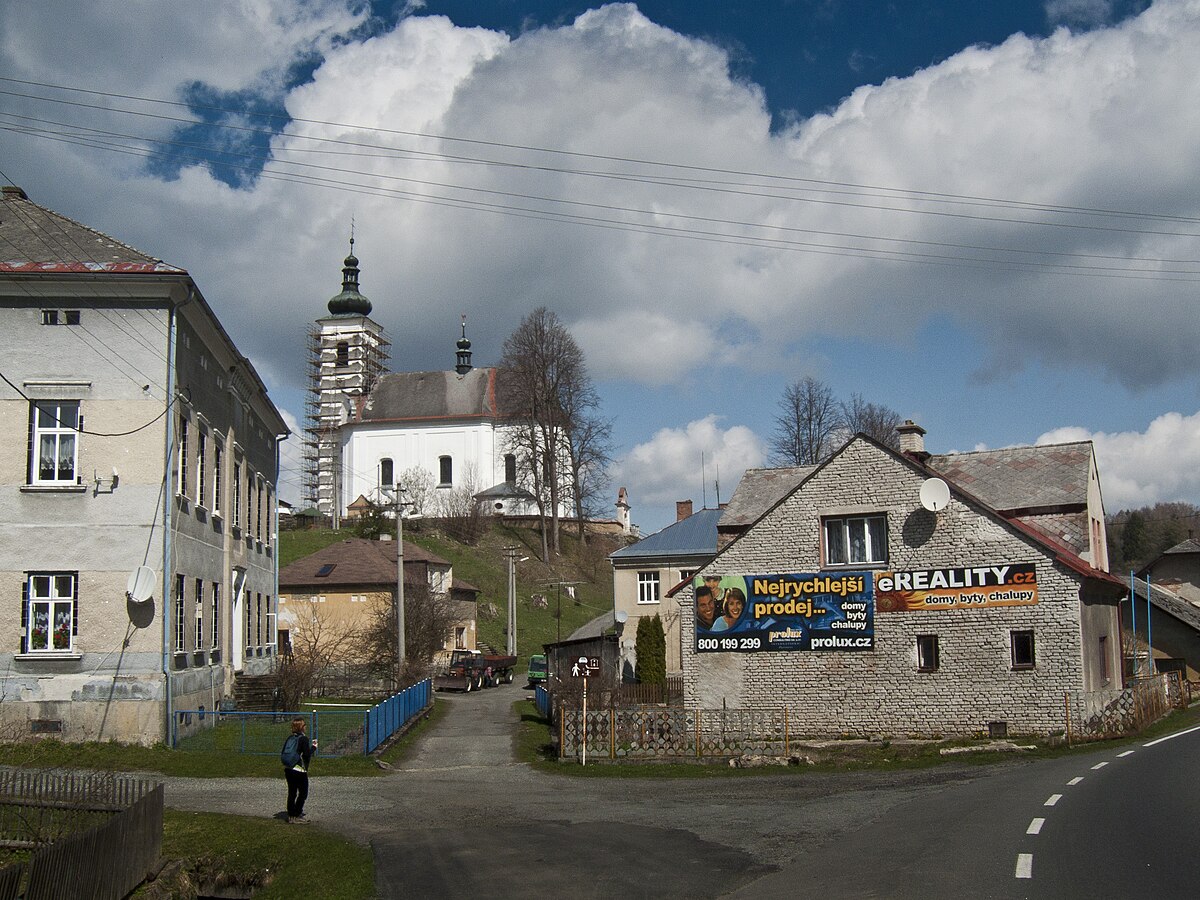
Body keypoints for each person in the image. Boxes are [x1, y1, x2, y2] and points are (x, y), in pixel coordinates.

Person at [282, 716, 317, 822]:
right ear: (301, 727)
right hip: (299, 769)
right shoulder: (303, 739)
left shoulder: (290, 738)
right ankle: (297, 814)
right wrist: (314, 748)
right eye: (304, 725)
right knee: (303, 792)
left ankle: (291, 815)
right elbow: (306, 755)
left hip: (288, 768)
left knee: (292, 792)